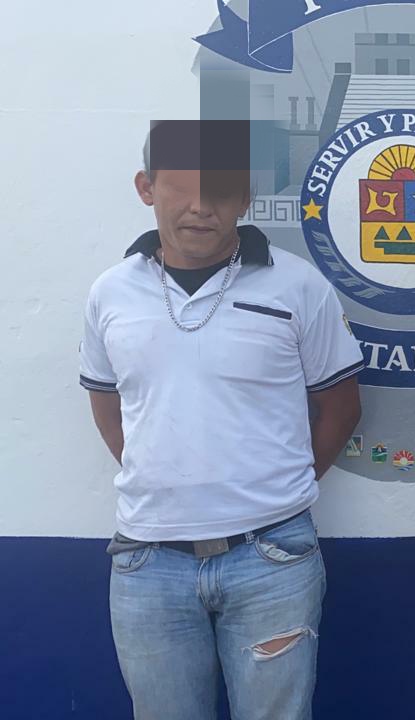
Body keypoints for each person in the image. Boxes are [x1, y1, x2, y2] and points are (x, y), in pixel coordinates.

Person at [79, 120, 363, 720]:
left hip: (272, 556)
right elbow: (106, 402)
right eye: (180, 187)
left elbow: (341, 405)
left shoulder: (298, 286)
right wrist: (161, 475)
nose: (201, 206)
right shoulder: (111, 292)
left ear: (246, 197)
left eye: (221, 190)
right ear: (146, 187)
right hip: (147, 562)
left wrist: (279, 487)